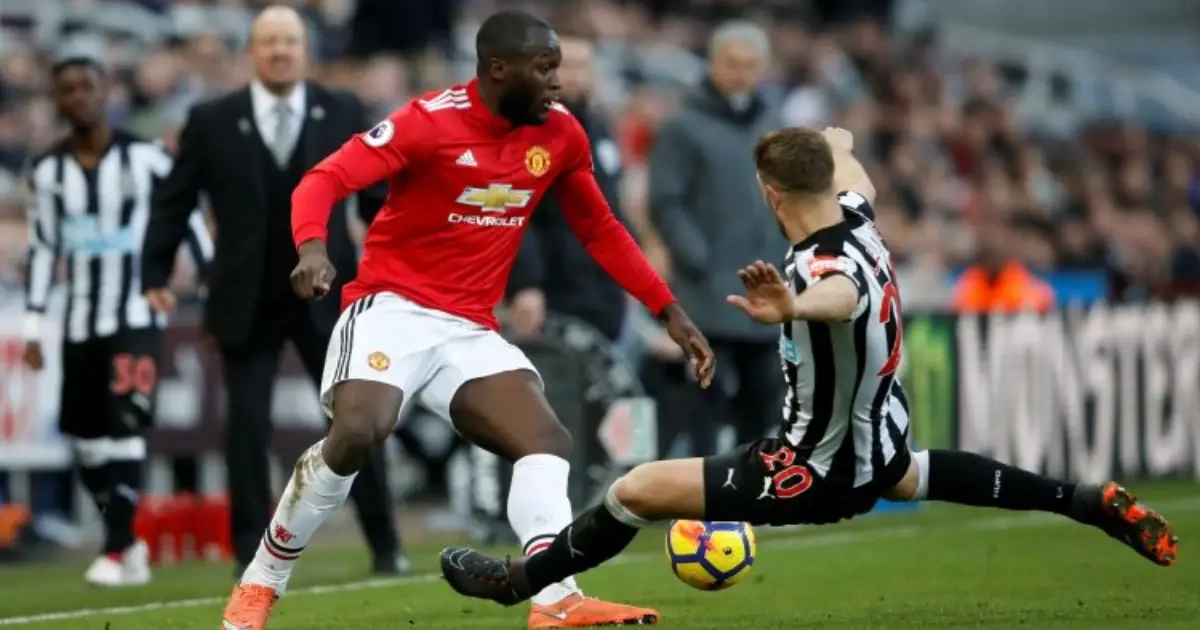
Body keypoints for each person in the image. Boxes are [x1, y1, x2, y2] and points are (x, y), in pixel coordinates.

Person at [437, 127, 1180, 609]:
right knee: (909, 473)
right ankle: (1079, 500)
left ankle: (521, 584)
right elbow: (850, 162)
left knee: (635, 489)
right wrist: (835, 139)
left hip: (812, 466)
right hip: (875, 437)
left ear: (770, 195)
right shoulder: (857, 214)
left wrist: (792, 306)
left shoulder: (824, 264)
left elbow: (840, 296)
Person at [220, 10, 716, 630]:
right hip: (392, 307)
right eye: (545, 68)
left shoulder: (561, 134)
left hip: (467, 325)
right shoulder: (429, 122)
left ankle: (556, 599)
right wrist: (312, 248)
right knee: (358, 433)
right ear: (498, 69)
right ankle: (260, 582)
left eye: (558, 68)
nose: (557, 82)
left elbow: (600, 229)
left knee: (545, 440)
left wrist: (667, 308)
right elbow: (325, 178)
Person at [140, 6, 405, 576]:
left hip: (330, 296)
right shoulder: (210, 119)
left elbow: (376, 201)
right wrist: (155, 273)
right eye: (270, 41)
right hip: (245, 297)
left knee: (354, 422)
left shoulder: (343, 110)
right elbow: (174, 202)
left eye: (290, 40)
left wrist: (400, 272)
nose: (281, 51)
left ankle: (386, 544)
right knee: (246, 427)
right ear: (252, 52)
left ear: (306, 50)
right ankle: (248, 555)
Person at [21, 55, 213, 586]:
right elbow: (42, 249)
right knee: (86, 441)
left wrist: (212, 287)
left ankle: (114, 548)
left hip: (136, 313)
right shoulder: (48, 171)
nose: (80, 96)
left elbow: (185, 217)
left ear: (105, 93)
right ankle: (127, 542)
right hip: (78, 320)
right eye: (68, 89)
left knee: (126, 422)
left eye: (88, 86)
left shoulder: (145, 157)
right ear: (57, 100)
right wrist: (34, 323)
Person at [648, 21, 787, 455]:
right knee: (704, 404)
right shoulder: (683, 127)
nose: (741, 73)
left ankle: (751, 484)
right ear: (712, 64)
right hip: (707, 293)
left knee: (763, 402)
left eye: (750, 65)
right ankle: (705, 486)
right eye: (732, 63)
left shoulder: (773, 127)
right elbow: (665, 202)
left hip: (764, 289)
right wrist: (699, 259)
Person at [506, 25, 630, 343]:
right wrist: (525, 284)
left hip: (602, 292)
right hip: (551, 293)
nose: (573, 76)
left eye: (582, 66)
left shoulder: (600, 130)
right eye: (563, 66)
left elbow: (612, 207)